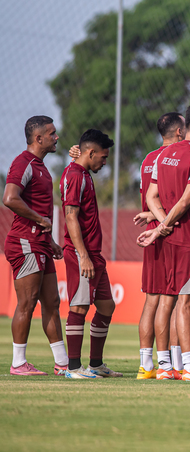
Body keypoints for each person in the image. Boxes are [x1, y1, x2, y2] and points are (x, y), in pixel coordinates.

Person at [138, 104, 190, 382]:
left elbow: (152, 196)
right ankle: (189, 367)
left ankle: (163, 366)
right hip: (188, 240)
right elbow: (187, 200)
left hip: (168, 239)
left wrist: (162, 226)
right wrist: (166, 226)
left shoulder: (162, 156)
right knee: (185, 304)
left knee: (167, 301)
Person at [3, 116, 68, 376]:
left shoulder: (40, 166)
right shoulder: (23, 163)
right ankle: (18, 363)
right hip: (25, 242)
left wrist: (50, 241)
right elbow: (9, 198)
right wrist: (40, 220)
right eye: (52, 133)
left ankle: (63, 364)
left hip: (39, 243)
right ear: (38, 138)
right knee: (27, 303)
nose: (57, 137)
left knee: (52, 301)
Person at [59, 129, 121, 378]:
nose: (105, 162)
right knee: (79, 308)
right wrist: (82, 254)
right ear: (91, 153)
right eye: (103, 157)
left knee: (106, 306)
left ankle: (96, 364)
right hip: (81, 254)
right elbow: (70, 216)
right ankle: (73, 368)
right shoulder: (75, 175)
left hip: (94, 254)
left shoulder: (82, 172)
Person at [131, 112, 185, 379]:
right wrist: (163, 222)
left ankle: (146, 364)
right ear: (178, 132)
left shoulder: (148, 159)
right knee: (173, 301)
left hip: (152, 232)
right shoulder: (177, 158)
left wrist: (153, 218)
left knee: (152, 300)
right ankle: (171, 364)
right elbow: (175, 199)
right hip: (169, 232)